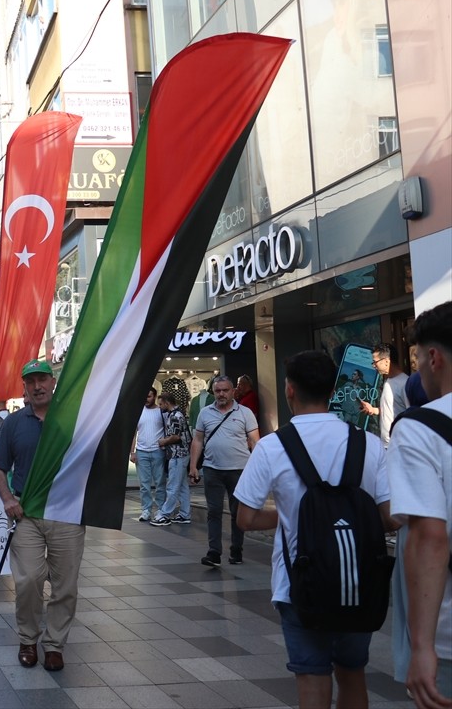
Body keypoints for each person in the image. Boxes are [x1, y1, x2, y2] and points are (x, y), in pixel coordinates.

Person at [234, 350, 392, 709]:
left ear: (289, 389)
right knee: (353, 674)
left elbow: (246, 519)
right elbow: (389, 517)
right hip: (358, 581)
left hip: (298, 585)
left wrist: (292, 515)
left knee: (312, 679)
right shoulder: (367, 443)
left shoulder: (272, 446)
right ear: (333, 391)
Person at [0, 359, 85, 672]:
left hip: (67, 512)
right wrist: (7, 499)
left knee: (65, 585)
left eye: (42, 380)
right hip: (26, 513)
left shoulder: (74, 419)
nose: (37, 386)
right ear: (25, 387)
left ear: (53, 382)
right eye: (30, 382)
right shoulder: (14, 423)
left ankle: (54, 645)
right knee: (29, 580)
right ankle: (28, 640)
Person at [387, 301, 452, 707]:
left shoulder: (418, 428)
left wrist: (421, 645)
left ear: (434, 357)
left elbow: (430, 536)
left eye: (418, 360)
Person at [189, 375, 260, 567]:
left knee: (237, 512)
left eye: (225, 390)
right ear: (213, 392)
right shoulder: (205, 413)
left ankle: (236, 549)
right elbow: (198, 440)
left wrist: (257, 467)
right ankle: (214, 552)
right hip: (212, 469)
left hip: (239, 470)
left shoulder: (245, 412)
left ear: (233, 391)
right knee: (214, 511)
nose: (221, 394)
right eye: (217, 390)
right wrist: (193, 466)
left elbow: (255, 441)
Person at [151, 392, 192, 526]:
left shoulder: (174, 416)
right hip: (181, 454)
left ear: (167, 403)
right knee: (182, 486)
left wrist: (163, 441)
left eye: (161, 404)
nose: (160, 406)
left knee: (173, 486)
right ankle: (185, 514)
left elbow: (176, 436)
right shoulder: (177, 414)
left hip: (177, 454)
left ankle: (165, 514)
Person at [360, 342, 410, 446]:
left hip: (399, 445)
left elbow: (412, 415)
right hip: (387, 445)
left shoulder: (405, 383)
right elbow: (392, 408)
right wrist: (373, 410)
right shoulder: (388, 381)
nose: (374, 366)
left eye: (375, 362)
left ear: (386, 361)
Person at [130, 388, 167, 522]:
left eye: (149, 396)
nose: (146, 399)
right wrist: (132, 452)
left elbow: (167, 430)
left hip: (158, 451)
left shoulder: (161, 412)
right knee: (144, 484)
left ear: (155, 396)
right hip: (142, 451)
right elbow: (133, 433)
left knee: (160, 482)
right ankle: (146, 509)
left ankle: (161, 509)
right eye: (145, 396)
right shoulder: (138, 411)